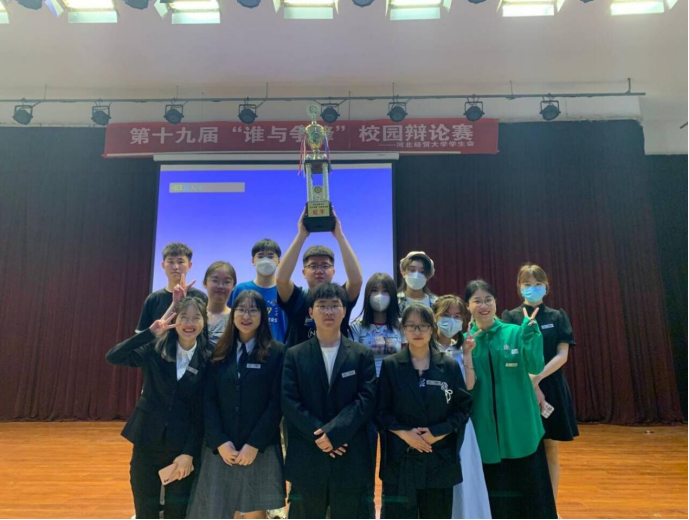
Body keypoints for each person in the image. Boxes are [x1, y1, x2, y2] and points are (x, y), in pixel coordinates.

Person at [105, 296, 211, 519]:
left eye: (196, 318)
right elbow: (114, 356)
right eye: (184, 317)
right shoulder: (155, 348)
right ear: (174, 320)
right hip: (147, 440)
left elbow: (203, 412)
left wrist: (188, 453)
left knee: (176, 513)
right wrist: (150, 332)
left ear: (204, 322)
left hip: (181, 447)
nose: (189, 323)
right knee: (146, 510)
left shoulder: (209, 357)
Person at [187, 291, 286, 519]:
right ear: (233, 314)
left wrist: (255, 444)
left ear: (263, 315)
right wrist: (219, 441)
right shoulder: (219, 352)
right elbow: (208, 400)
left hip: (259, 447)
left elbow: (277, 403)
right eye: (241, 309)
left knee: (254, 510)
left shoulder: (278, 353)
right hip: (223, 448)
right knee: (219, 509)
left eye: (253, 310)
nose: (246, 316)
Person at [281, 283, 376, 518]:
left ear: (344, 311)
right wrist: (321, 435)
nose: (329, 311)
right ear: (311, 312)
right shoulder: (294, 354)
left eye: (335, 305)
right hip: (307, 455)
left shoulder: (361, 354)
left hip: (350, 455)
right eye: (322, 306)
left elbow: (366, 399)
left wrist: (334, 434)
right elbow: (289, 402)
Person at [463, 279, 556, 519]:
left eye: (488, 300)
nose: (484, 305)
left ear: (496, 302)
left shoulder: (515, 332)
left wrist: (532, 336)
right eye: (477, 301)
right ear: (468, 306)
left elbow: (535, 366)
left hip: (521, 430)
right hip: (485, 433)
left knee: (530, 498)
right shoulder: (465, 341)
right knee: (495, 500)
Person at [376, 303, 472, 519]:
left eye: (423, 325)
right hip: (401, 459)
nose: (417, 331)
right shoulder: (391, 365)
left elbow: (463, 408)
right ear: (403, 329)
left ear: (432, 328)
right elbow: (381, 411)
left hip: (439, 458)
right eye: (411, 326)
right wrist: (404, 434)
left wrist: (438, 432)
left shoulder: (448, 366)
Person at [501, 264, 578, 503]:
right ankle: (526, 506)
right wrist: (530, 385)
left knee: (550, 448)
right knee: (523, 449)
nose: (532, 288)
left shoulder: (557, 316)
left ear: (546, 286)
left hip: (551, 387)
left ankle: (550, 508)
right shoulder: (510, 317)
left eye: (537, 284)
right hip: (519, 389)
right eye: (527, 284)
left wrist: (537, 380)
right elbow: (509, 355)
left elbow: (562, 355)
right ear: (519, 287)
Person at [432, 296, 492, 520]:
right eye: (446, 315)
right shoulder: (424, 348)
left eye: (457, 316)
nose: (452, 321)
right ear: (435, 317)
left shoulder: (463, 348)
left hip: (459, 423)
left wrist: (466, 354)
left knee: (465, 475)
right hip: (433, 423)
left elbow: (469, 385)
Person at [277, 209, 363, 346]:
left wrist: (340, 236)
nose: (319, 271)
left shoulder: (340, 297)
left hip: (338, 359)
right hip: (300, 359)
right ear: (303, 273)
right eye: (313, 266)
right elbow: (281, 280)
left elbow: (356, 280)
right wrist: (301, 235)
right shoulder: (297, 298)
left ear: (333, 272)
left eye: (325, 266)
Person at [135, 242, 208, 334]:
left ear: (190, 265)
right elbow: (141, 335)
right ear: (163, 265)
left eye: (180, 262)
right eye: (170, 262)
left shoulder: (200, 297)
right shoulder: (153, 299)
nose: (175, 267)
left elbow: (206, 332)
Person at [230, 239, 289, 344]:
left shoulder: (285, 291)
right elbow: (230, 321)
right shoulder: (241, 289)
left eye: (270, 257)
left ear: (279, 261)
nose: (265, 260)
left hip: (278, 349)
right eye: (260, 256)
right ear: (253, 261)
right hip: (245, 348)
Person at [349, 272, 404, 376]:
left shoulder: (402, 326)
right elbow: (353, 360)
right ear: (367, 295)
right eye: (374, 290)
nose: (380, 295)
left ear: (392, 295)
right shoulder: (356, 327)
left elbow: (406, 359)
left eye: (385, 291)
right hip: (367, 381)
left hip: (394, 381)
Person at [203, 261, 236, 347]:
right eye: (215, 280)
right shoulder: (195, 315)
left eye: (227, 282)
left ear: (233, 286)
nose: (220, 286)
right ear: (205, 283)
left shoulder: (237, 318)